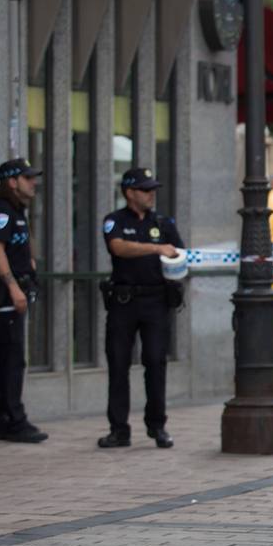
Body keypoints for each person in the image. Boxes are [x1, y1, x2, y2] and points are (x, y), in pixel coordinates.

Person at [99, 167, 185, 449]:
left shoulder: (164, 222)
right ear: (130, 193)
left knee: (156, 363)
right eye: (146, 190)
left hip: (156, 302)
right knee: (119, 364)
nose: (151, 195)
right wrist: (155, 248)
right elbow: (118, 248)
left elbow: (181, 255)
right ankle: (119, 429)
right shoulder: (114, 220)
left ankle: (157, 425)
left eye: (153, 190)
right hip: (124, 302)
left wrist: (176, 268)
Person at [0, 158, 47, 443]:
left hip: (13, 292)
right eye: (27, 177)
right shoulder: (2, 212)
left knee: (2, 357)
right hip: (5, 295)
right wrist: (13, 287)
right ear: (12, 181)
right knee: (11, 359)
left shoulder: (16, 211)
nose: (33, 182)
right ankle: (13, 421)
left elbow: (15, 248)